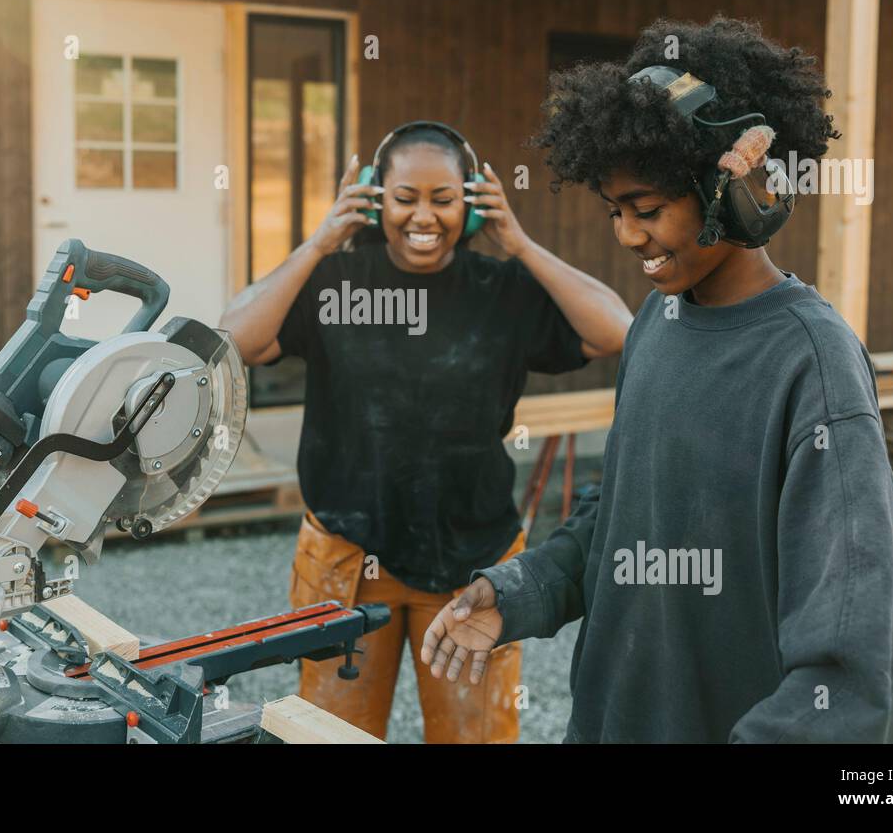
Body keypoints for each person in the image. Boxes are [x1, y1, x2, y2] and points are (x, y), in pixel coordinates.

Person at [421, 18, 893, 743]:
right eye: (615, 211)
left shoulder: (812, 363)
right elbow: (626, 510)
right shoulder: (657, 324)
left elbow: (856, 663)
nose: (628, 236)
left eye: (648, 210)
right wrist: (522, 591)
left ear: (739, 186)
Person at [219, 121, 632, 742]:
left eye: (443, 200)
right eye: (405, 197)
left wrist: (518, 243)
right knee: (331, 736)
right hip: (347, 561)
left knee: (476, 738)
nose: (424, 216)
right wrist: (318, 243)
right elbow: (236, 339)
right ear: (372, 196)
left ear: (469, 202)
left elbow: (616, 331)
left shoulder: (502, 290)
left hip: (474, 563)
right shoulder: (335, 281)